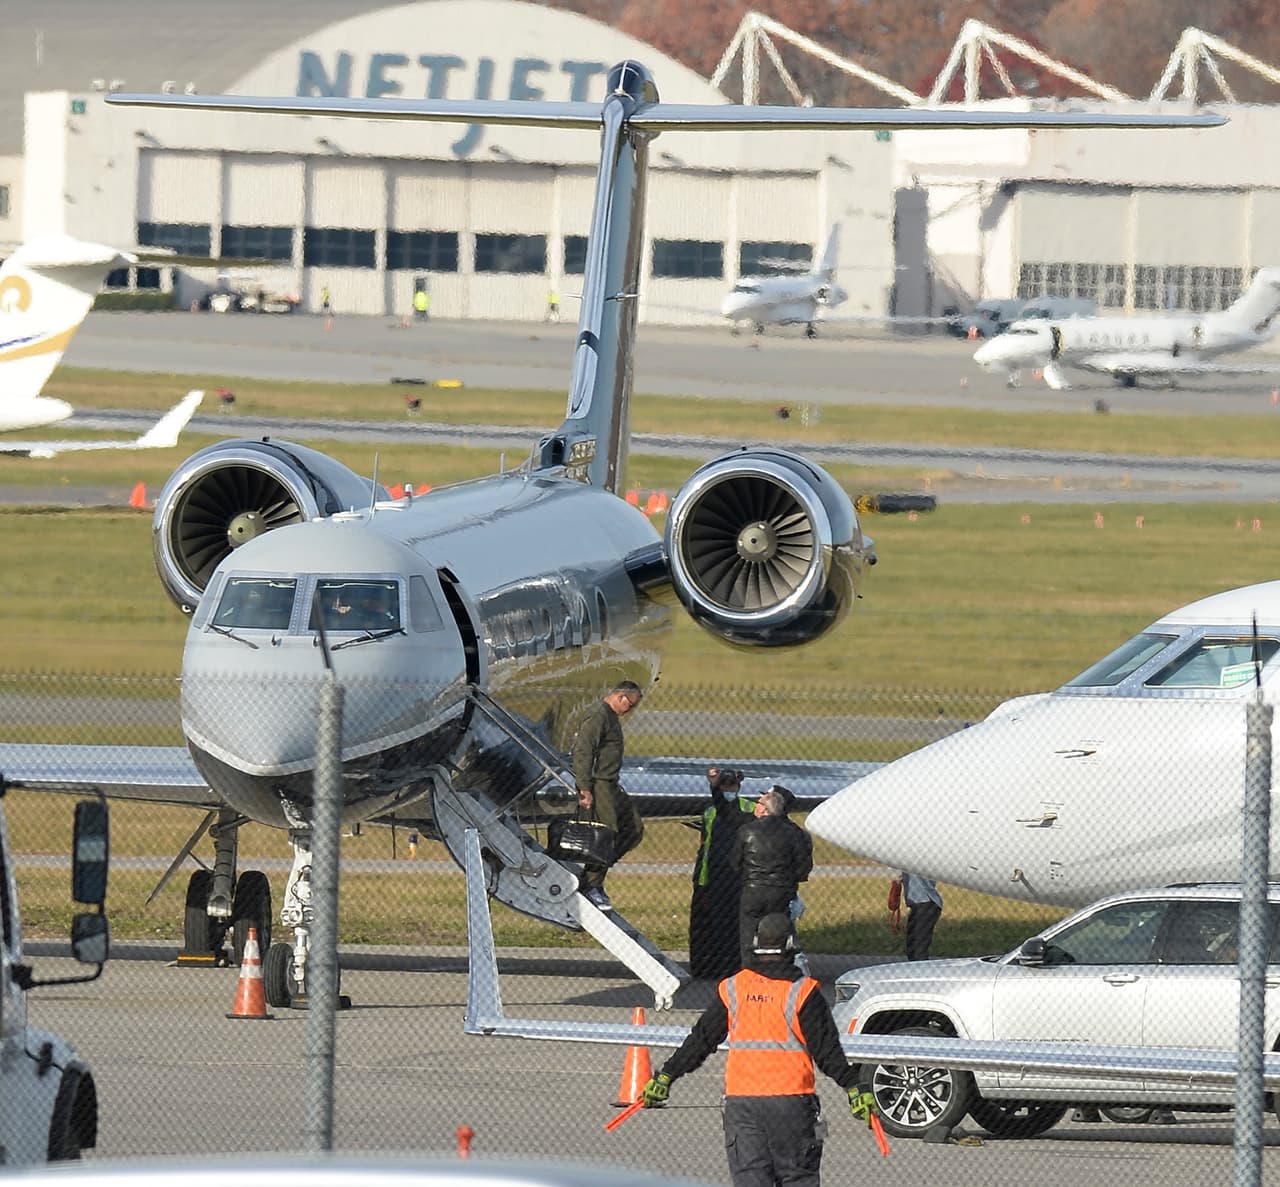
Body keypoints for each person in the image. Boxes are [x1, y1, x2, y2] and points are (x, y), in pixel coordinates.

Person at [640, 912, 879, 1187]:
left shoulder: (733, 988)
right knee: (797, 1177)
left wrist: (667, 1075)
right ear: (790, 946)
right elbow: (826, 1051)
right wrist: (853, 1087)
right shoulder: (803, 992)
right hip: (792, 1105)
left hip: (743, 1106)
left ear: (756, 944)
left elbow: (702, 1039)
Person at [571, 680, 644, 912]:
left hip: (612, 783)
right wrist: (585, 788)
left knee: (633, 829)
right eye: (630, 705)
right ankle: (592, 884)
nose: (630, 710)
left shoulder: (611, 717)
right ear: (621, 697)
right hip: (599, 783)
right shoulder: (598, 716)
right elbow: (584, 750)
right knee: (605, 834)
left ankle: (596, 872)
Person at [731, 785, 812, 968]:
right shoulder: (795, 833)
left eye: (759, 803)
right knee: (780, 935)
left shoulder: (747, 831)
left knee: (748, 937)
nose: (755, 806)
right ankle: (779, 972)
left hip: (753, 892)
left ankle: (750, 974)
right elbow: (803, 868)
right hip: (782, 893)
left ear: (766, 809)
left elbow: (734, 862)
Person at [688, 765, 754, 979]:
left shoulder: (749, 808)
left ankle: (731, 968)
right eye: (723, 785)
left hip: (735, 878)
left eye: (730, 784)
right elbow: (704, 845)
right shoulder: (710, 811)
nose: (727, 788)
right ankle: (705, 969)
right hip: (709, 876)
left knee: (731, 927)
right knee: (705, 927)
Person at [896, 871, 943, 961]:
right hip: (920, 904)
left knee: (917, 951)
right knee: (913, 948)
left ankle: (922, 971)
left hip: (926, 903)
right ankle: (918, 968)